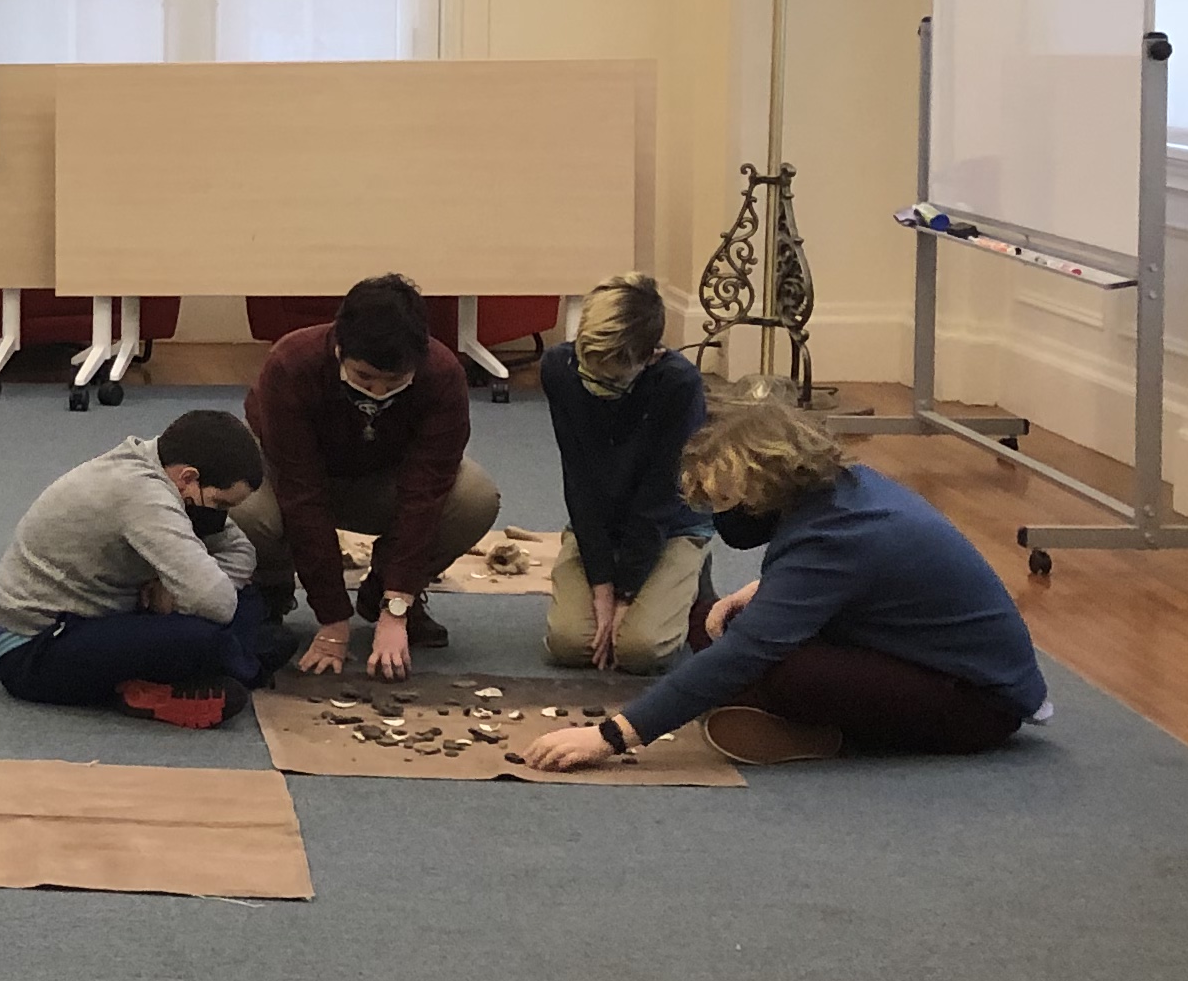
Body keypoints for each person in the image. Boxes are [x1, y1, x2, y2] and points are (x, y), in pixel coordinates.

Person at [516, 399, 1049, 770]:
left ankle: (824, 734)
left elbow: (755, 643)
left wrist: (610, 737)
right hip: (900, 647)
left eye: (731, 499)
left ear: (769, 483)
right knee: (713, 623)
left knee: (768, 664)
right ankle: (764, 711)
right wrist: (760, 592)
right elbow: (853, 582)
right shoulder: (843, 489)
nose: (725, 514)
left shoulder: (841, 536)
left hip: (978, 705)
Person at [232, 273, 507, 683]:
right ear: (339, 348)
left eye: (394, 382)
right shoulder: (291, 364)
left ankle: (382, 592)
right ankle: (271, 588)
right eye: (363, 378)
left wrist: (397, 602)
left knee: (474, 497)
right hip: (292, 475)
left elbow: (425, 492)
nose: (378, 391)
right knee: (244, 509)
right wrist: (332, 619)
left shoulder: (443, 374)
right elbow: (301, 494)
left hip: (384, 478)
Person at [0, 411, 279, 729]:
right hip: (35, 648)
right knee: (208, 636)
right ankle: (235, 666)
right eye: (220, 504)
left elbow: (241, 551)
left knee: (249, 598)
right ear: (188, 478)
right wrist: (183, 598)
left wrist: (171, 591)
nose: (221, 514)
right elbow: (216, 603)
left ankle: (223, 666)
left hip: (107, 617)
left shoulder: (166, 471)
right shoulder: (142, 494)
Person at [539, 273, 713, 674]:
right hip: (601, 520)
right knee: (570, 645)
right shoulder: (559, 369)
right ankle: (638, 585)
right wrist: (601, 585)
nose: (596, 387)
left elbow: (660, 495)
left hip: (671, 522)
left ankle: (693, 575)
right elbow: (578, 477)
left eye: (613, 380)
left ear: (651, 357)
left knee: (640, 651)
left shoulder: (678, 384)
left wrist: (626, 595)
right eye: (589, 373)